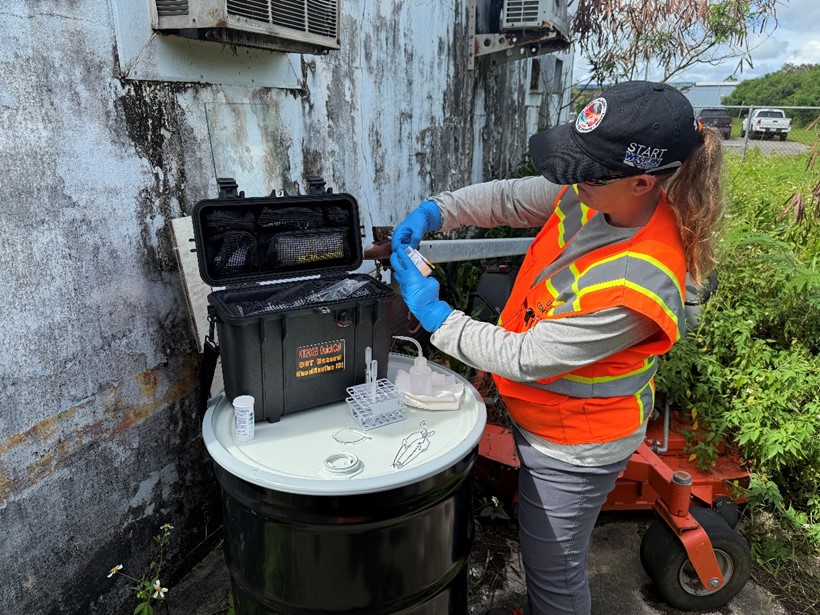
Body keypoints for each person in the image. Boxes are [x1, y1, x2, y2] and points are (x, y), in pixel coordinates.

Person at [389, 80, 724, 615]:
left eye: (585, 171)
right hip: (542, 416)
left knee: (555, 576)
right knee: (548, 557)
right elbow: (508, 198)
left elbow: (527, 356)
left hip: (575, 446)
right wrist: (438, 210)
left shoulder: (641, 281)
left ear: (642, 181)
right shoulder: (595, 192)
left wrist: (435, 316)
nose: (570, 180)